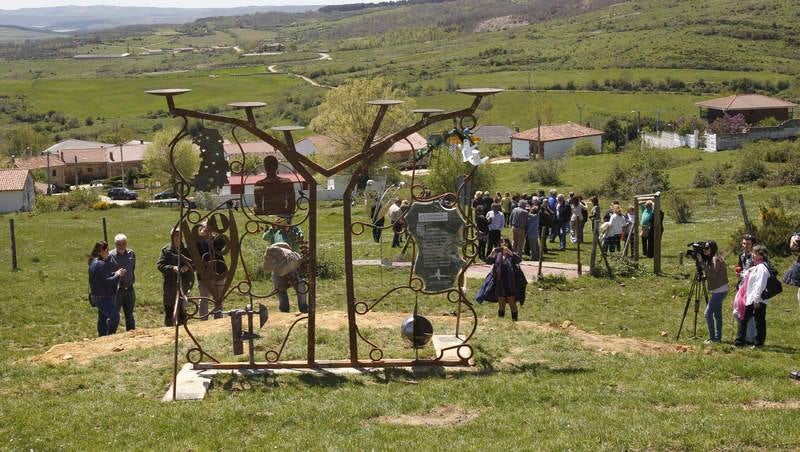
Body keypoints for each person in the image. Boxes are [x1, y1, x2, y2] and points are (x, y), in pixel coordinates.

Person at [263, 218, 308, 313]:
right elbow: (265, 237)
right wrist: (273, 228)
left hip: (292, 264)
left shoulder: (294, 229)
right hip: (278, 264)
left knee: (300, 286)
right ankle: (284, 310)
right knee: (279, 289)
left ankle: (303, 308)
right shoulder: (275, 231)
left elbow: (299, 240)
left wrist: (289, 230)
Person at [734, 245, 773, 348]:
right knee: (745, 319)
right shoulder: (756, 266)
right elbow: (749, 276)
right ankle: (741, 342)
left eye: (754, 253)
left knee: (757, 321)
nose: (752, 255)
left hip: (757, 299)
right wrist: (741, 275)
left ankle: (756, 343)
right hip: (752, 298)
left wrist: (756, 300)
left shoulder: (762, 268)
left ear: (761, 255)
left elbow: (760, 285)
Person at [157, 228, 195, 327]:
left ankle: (183, 327)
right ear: (172, 237)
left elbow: (194, 264)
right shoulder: (166, 250)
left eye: (179, 235)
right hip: (170, 284)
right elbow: (160, 265)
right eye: (175, 235)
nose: (178, 238)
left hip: (184, 283)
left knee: (182, 307)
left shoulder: (187, 250)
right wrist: (172, 268)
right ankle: (169, 328)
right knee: (169, 306)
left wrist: (187, 267)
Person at [88, 241, 125, 337]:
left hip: (97, 295)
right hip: (102, 297)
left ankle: (102, 337)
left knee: (102, 319)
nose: (108, 253)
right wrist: (118, 274)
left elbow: (105, 276)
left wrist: (115, 273)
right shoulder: (100, 264)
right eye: (106, 250)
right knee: (115, 317)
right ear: (100, 251)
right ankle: (110, 336)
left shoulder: (94, 262)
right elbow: (108, 281)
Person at [196, 219, 228, 317]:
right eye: (206, 227)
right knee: (204, 298)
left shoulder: (218, 239)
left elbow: (222, 242)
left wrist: (213, 234)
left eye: (210, 227)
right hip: (204, 274)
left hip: (219, 272)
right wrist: (203, 236)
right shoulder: (197, 241)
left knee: (218, 298)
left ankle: (218, 319)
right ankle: (203, 320)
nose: (207, 229)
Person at [485, 238, 523, 321]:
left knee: (511, 302)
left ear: (509, 244)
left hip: (510, 282)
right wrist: (492, 253)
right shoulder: (497, 254)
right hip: (499, 281)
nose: (504, 244)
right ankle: (501, 321)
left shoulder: (511, 254)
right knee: (501, 302)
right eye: (502, 242)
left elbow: (518, 260)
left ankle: (514, 321)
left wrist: (509, 252)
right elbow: (488, 261)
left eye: (506, 242)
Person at [700, 240, 728, 344]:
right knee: (717, 315)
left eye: (707, 248)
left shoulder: (716, 259)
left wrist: (701, 262)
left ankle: (712, 338)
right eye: (704, 248)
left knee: (708, 313)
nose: (705, 250)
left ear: (712, 249)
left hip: (720, 290)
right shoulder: (714, 257)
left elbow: (712, 274)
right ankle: (718, 338)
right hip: (720, 289)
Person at [108, 233, 136, 331]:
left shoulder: (131, 253)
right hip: (117, 290)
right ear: (115, 244)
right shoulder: (110, 255)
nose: (121, 246)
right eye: (119, 244)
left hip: (129, 288)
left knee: (130, 314)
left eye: (124, 243)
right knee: (114, 314)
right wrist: (117, 273)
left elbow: (133, 268)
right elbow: (107, 273)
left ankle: (131, 335)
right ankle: (110, 335)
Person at [737, 233, 758, 343]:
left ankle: (751, 337)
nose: (745, 246)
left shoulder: (756, 256)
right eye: (744, 243)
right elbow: (741, 268)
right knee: (740, 311)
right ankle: (745, 336)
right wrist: (739, 274)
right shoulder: (741, 255)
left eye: (748, 244)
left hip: (753, 287)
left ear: (753, 245)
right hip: (743, 285)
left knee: (750, 313)